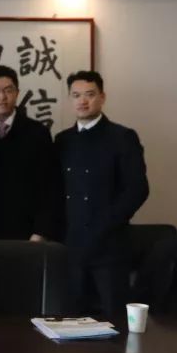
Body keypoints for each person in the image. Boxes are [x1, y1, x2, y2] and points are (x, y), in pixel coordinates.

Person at [55, 70, 148, 317]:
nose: (82, 101)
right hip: (72, 245)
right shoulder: (63, 140)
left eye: (90, 94)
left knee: (114, 320)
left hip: (109, 245)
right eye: (76, 95)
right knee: (72, 319)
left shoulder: (122, 137)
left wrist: (105, 223)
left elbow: (138, 189)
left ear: (102, 97)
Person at [0, 65, 62, 242]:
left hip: (27, 232)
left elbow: (49, 186)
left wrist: (41, 231)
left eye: (8, 90)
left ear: (17, 93)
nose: (2, 97)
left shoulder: (38, 133)